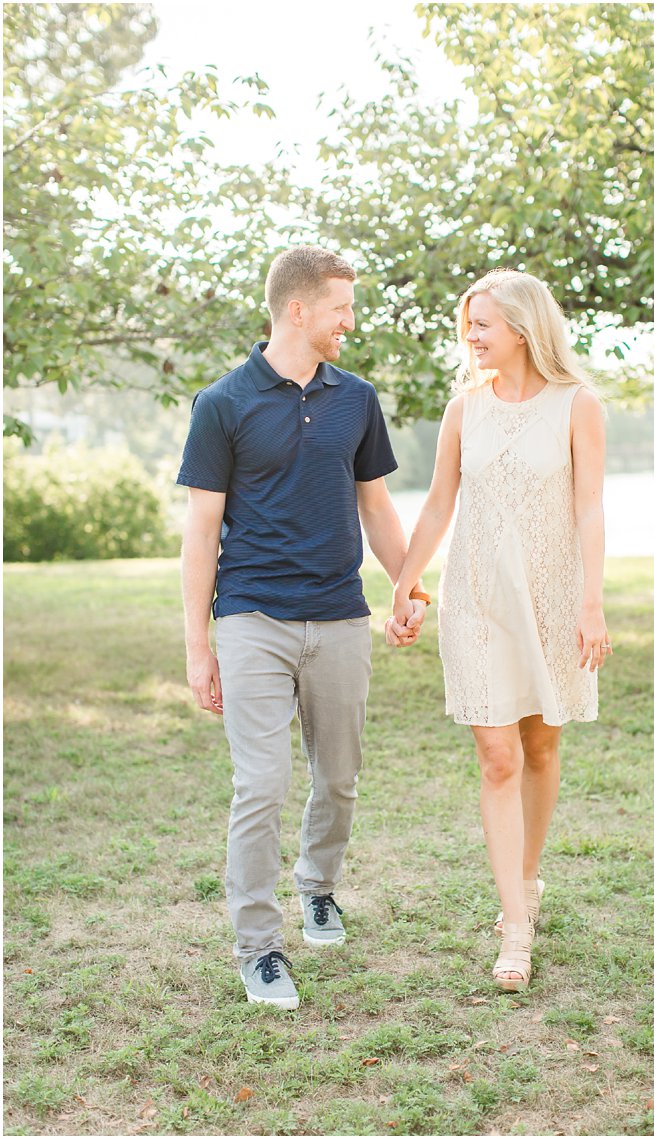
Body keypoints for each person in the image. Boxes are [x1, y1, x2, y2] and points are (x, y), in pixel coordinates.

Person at [178, 245, 426, 1011]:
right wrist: (197, 646)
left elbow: (376, 506)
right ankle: (258, 947)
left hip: (342, 615)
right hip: (252, 616)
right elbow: (201, 528)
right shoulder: (222, 403)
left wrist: (408, 585)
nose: (350, 321)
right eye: (341, 308)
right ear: (298, 309)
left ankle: (318, 888)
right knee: (261, 783)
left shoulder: (357, 397)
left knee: (339, 777)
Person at [388, 268, 608, 993]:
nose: (471, 336)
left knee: (542, 744)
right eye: (469, 324)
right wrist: (402, 582)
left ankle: (528, 878)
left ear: (523, 326)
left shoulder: (579, 405)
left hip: (550, 598)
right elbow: (437, 505)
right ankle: (515, 926)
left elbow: (589, 512)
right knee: (498, 756)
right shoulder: (464, 408)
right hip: (476, 599)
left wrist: (592, 603)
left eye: (483, 323)